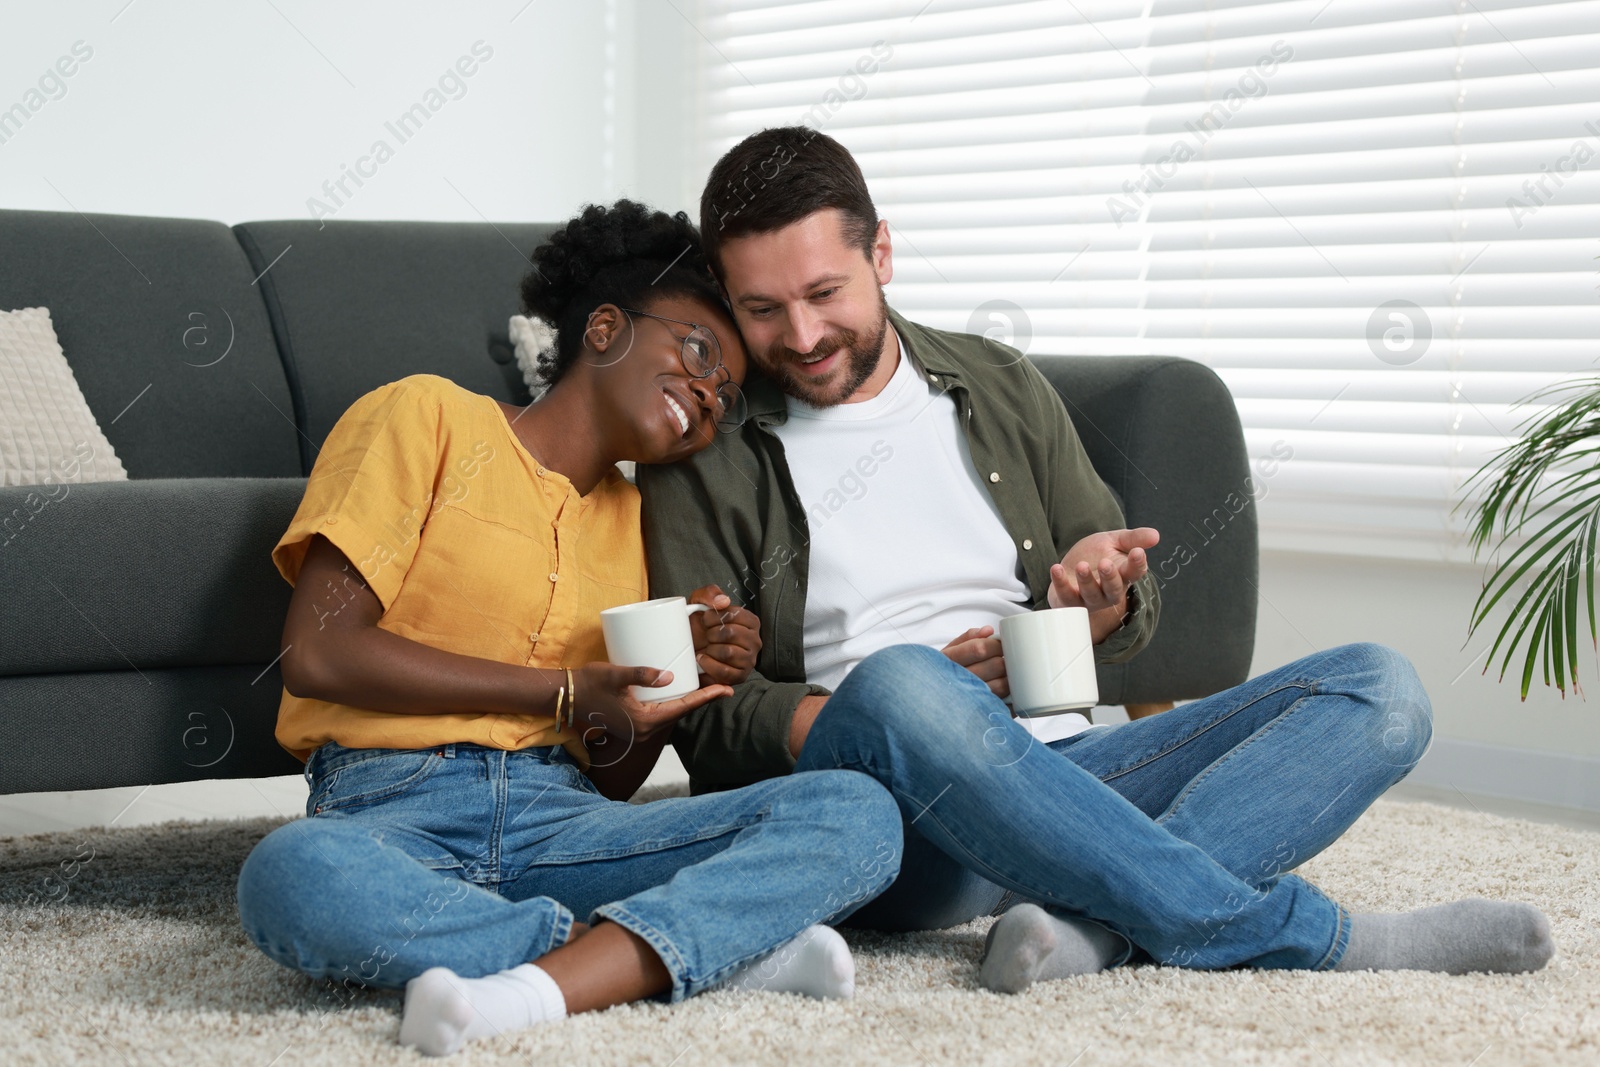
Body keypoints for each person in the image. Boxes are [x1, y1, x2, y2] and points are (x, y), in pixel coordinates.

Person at [636, 127, 1555, 990]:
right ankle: (1314, 936)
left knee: (1380, 689)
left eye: (824, 293)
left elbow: (1117, 609)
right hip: (893, 821)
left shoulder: (995, 383)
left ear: (881, 254)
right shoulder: (705, 448)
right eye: (762, 309)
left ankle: (1093, 929)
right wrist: (889, 711)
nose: (799, 336)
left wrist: (1100, 604)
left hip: (1067, 763)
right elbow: (701, 715)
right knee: (906, 685)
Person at [235, 200, 904, 1057]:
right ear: (603, 328)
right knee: (291, 875)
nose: (707, 394)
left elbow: (613, 775)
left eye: (725, 394)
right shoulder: (425, 416)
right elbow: (317, 649)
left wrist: (670, 692)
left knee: (856, 811)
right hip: (388, 810)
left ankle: (561, 959)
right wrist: (560, 689)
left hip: (565, 819)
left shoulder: (639, 520)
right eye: (698, 352)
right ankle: (663, 956)